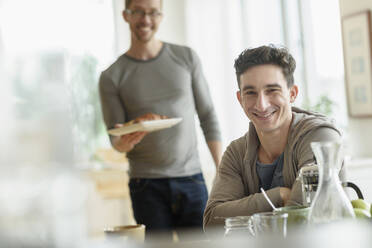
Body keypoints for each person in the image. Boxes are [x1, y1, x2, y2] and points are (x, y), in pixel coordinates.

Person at [99, 0, 222, 242]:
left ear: (161, 15)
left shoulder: (186, 58)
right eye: (138, 12)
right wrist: (128, 138)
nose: (146, 19)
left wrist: (222, 173)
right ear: (126, 15)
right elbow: (116, 141)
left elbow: (208, 116)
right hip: (145, 186)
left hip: (192, 180)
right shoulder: (111, 76)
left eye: (153, 12)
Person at [203, 45, 344, 230]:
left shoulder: (322, 137)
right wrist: (279, 195)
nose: (261, 105)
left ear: (292, 93)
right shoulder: (236, 152)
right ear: (240, 99)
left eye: (272, 90)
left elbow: (300, 218)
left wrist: (249, 211)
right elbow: (212, 221)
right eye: (251, 93)